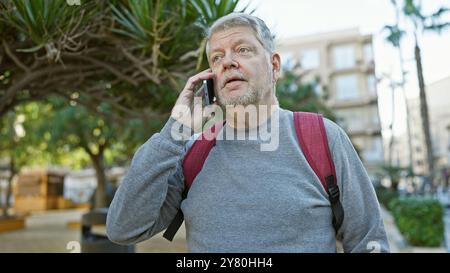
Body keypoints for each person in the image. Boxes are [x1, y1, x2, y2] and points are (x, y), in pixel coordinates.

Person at [106, 13, 390, 253]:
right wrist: (174, 131)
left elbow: (369, 241)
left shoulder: (322, 137)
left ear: (274, 66)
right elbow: (123, 228)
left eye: (242, 50)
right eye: (217, 57)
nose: (228, 62)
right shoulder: (190, 150)